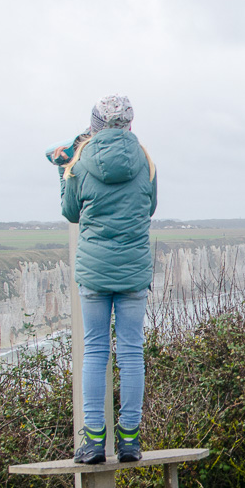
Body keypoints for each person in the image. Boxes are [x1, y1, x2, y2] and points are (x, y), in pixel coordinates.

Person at [53, 94, 158, 464]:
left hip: (95, 272)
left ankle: (94, 442)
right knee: (131, 351)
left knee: (95, 351)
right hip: (133, 269)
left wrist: (63, 170)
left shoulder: (80, 162)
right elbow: (149, 206)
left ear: (95, 126)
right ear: (130, 125)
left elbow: (70, 212)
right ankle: (130, 440)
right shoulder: (145, 161)